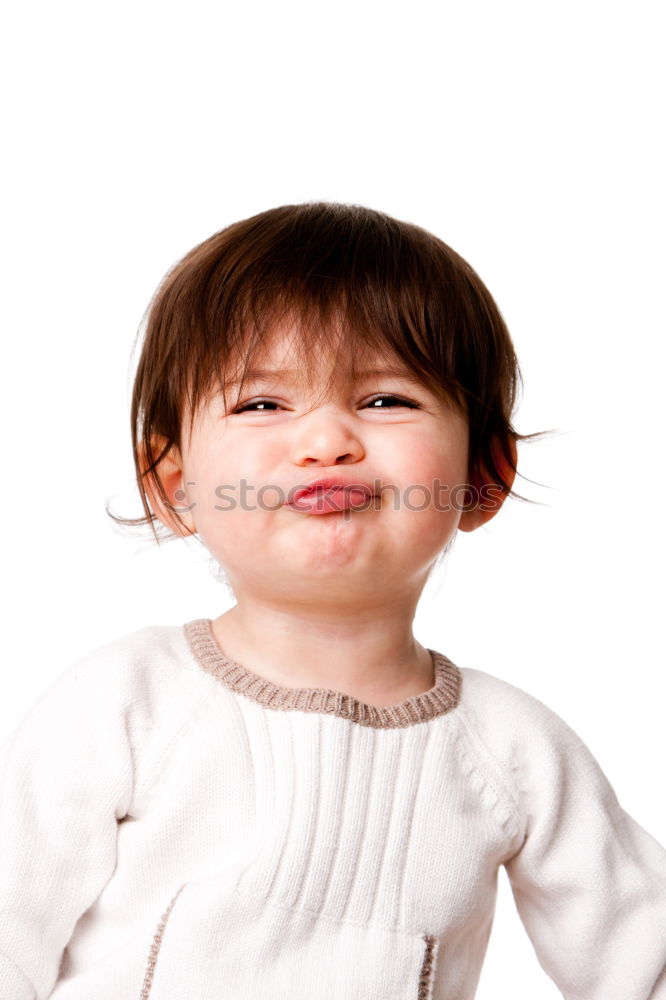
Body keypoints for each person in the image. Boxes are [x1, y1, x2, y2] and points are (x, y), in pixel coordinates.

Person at [1, 202, 664, 1000]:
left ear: (483, 477)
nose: (325, 440)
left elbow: (641, 954)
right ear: (175, 487)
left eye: (386, 401)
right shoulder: (126, 703)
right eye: (261, 404)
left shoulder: (515, 752)